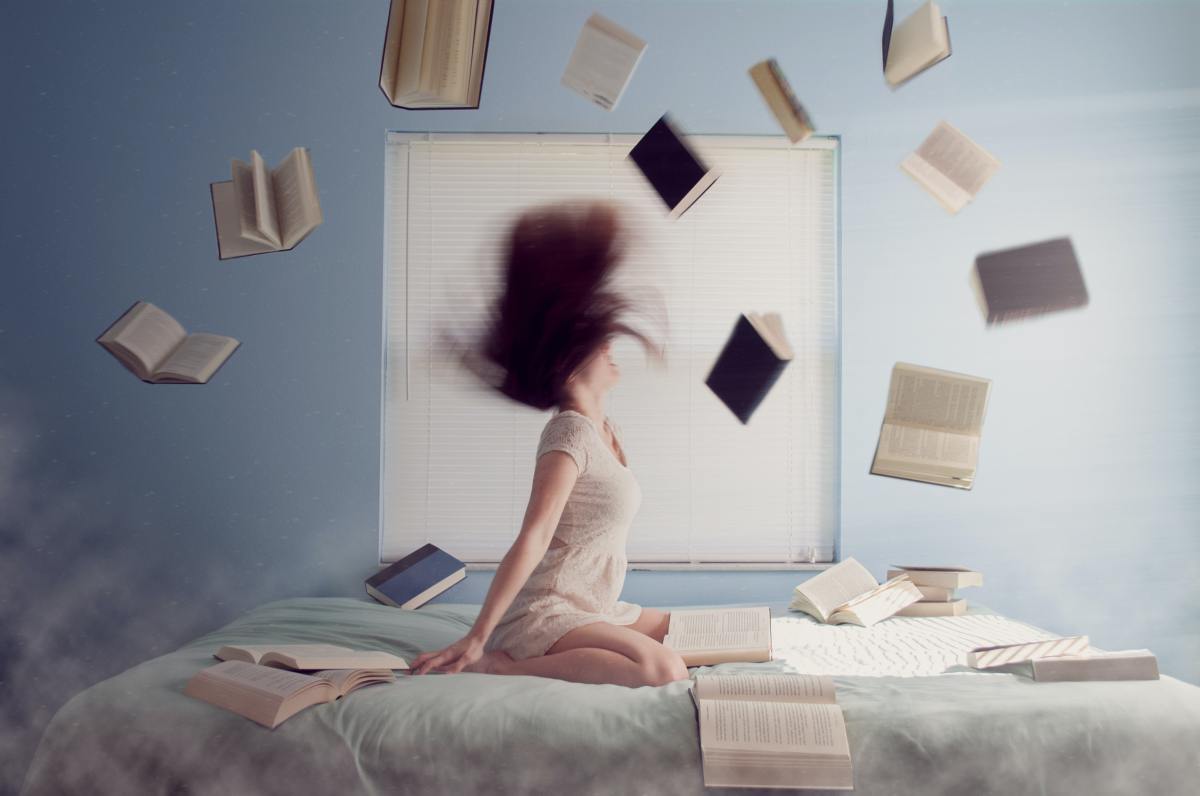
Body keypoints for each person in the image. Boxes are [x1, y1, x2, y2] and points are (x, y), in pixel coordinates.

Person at [410, 201, 687, 687]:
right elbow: (534, 536)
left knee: (693, 634)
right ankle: (500, 663)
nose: (610, 348)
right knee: (662, 669)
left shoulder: (607, 430)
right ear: (570, 362)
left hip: (593, 606)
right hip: (549, 609)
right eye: (599, 344)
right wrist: (478, 636)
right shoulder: (570, 434)